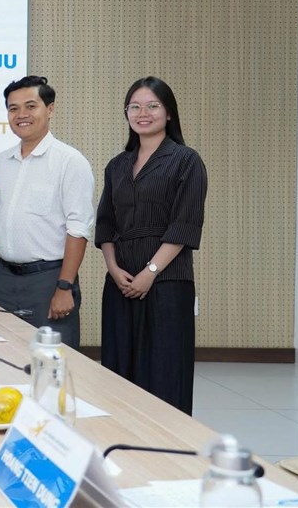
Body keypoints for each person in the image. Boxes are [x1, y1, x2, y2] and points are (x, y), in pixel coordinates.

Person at [96, 77, 207, 414]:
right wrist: (113, 269)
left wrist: (150, 272)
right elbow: (105, 224)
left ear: (169, 112)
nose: (142, 113)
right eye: (135, 107)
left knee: (164, 375)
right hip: (120, 283)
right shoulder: (117, 165)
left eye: (152, 106)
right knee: (119, 374)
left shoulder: (186, 160)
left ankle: (166, 441)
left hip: (167, 284)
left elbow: (184, 224)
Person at [0, 76, 94, 348]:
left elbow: (78, 229)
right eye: (13, 108)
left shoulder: (70, 161)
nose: (21, 115)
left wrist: (64, 287)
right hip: (3, 279)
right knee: (1, 354)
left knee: (50, 359)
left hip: (48, 280)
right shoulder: (2, 162)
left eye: (31, 106)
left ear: (50, 109)